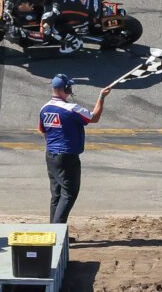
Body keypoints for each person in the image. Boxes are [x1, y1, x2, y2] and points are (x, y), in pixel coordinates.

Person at [39, 74, 112, 224]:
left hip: (51, 155)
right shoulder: (71, 108)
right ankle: (58, 232)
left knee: (57, 194)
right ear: (66, 88)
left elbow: (43, 130)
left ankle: (54, 229)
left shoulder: (44, 108)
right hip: (67, 157)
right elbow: (94, 117)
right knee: (69, 194)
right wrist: (102, 97)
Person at [17, 0, 104, 54]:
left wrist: (23, 32)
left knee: (54, 29)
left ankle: (74, 42)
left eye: (27, 2)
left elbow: (44, 37)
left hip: (90, 15)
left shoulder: (50, 12)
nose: (23, 3)